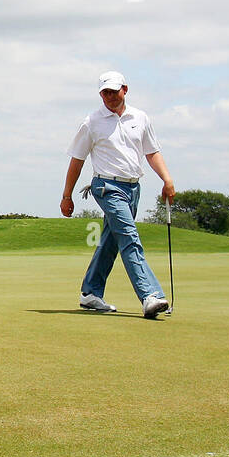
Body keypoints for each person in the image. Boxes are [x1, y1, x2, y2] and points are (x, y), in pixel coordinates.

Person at [61, 71, 173, 318]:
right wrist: (67, 195)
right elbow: (77, 160)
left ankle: (90, 293)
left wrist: (166, 179)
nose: (109, 97)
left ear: (125, 89)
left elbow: (151, 152)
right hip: (106, 187)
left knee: (110, 242)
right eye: (105, 93)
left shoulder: (140, 118)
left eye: (114, 91)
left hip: (133, 188)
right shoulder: (91, 122)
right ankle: (150, 295)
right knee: (129, 238)